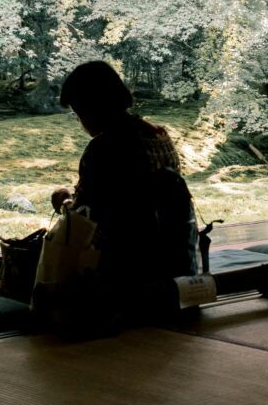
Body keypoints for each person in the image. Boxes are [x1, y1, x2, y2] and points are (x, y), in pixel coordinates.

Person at [49, 61, 199, 299]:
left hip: (126, 276)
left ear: (91, 107)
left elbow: (85, 219)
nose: (80, 122)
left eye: (78, 113)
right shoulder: (158, 135)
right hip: (179, 266)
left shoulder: (102, 149)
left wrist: (64, 201)